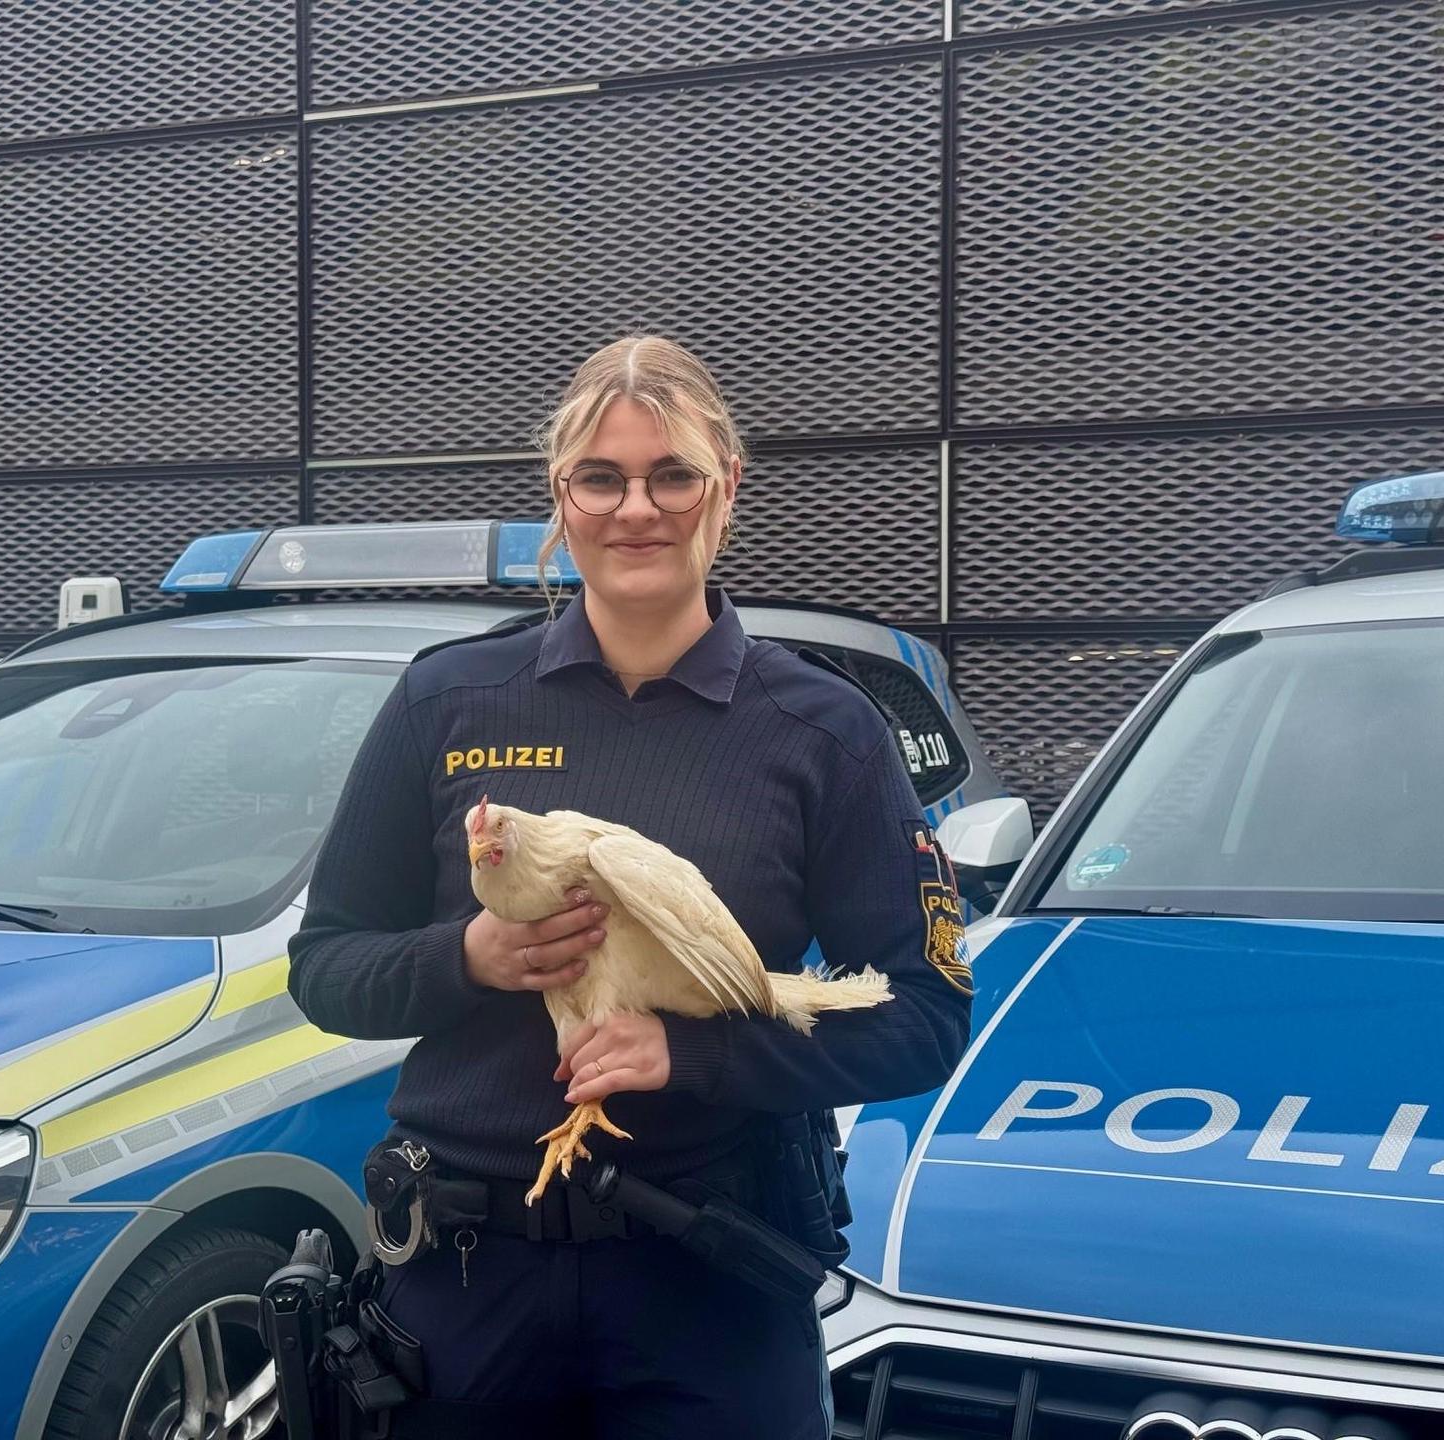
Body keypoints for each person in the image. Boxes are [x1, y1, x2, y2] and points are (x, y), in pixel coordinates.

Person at [287, 333, 973, 1438]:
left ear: (726, 487)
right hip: (466, 1282)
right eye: (601, 479)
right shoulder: (448, 701)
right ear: (562, 496)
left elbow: (927, 1018)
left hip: (709, 1284)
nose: (636, 509)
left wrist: (689, 1055)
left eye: (673, 476)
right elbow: (325, 968)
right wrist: (466, 958)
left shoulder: (821, 731)